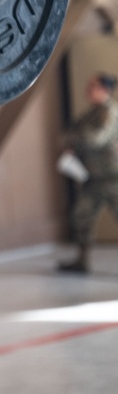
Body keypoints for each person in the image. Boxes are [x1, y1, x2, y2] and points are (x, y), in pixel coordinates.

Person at [57, 72, 118, 274]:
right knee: (81, 217)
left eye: (93, 86)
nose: (88, 90)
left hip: (112, 176)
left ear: (104, 89)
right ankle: (82, 261)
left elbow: (95, 138)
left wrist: (73, 141)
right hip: (93, 177)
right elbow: (70, 134)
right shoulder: (92, 113)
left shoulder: (108, 112)